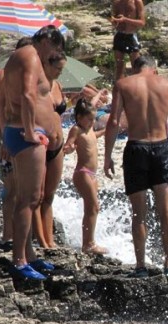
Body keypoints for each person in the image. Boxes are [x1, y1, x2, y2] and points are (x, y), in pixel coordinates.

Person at [104, 56, 168, 278]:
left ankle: (140, 265)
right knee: (166, 211)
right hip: (161, 148)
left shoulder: (123, 84)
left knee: (139, 213)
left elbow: (114, 122)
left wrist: (107, 156)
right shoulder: (167, 84)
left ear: (134, 69)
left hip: (136, 148)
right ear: (154, 69)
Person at [2, 25, 65, 280]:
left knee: (32, 198)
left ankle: (29, 255)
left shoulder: (29, 56)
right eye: (55, 49)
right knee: (28, 199)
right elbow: (28, 94)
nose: (54, 55)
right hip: (24, 134)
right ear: (47, 40)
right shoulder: (29, 54)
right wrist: (30, 131)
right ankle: (19, 261)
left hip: (22, 132)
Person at [0, 37, 33, 250]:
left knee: (23, 190)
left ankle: (19, 237)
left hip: (19, 135)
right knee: (12, 188)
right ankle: (8, 236)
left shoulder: (27, 75)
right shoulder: (3, 77)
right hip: (5, 136)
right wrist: (4, 137)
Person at [64, 98, 108, 255]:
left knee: (93, 208)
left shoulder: (89, 130)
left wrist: (109, 129)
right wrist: (69, 149)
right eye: (89, 119)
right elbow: (68, 146)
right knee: (93, 207)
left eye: (94, 119)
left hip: (92, 175)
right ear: (79, 117)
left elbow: (95, 135)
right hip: (82, 173)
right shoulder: (76, 129)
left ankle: (89, 241)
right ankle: (88, 244)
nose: (92, 122)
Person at [33, 51, 68, 249]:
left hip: (58, 145)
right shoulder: (37, 85)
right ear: (46, 64)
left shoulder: (58, 85)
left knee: (49, 195)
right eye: (58, 68)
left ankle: (50, 240)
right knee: (37, 195)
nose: (60, 72)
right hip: (41, 144)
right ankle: (41, 240)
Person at [110, 0, 146, 82]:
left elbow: (142, 23)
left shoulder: (137, 2)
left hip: (131, 36)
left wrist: (125, 19)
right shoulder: (117, 2)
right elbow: (114, 19)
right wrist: (115, 21)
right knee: (119, 67)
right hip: (119, 35)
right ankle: (119, 91)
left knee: (136, 66)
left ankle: (137, 90)